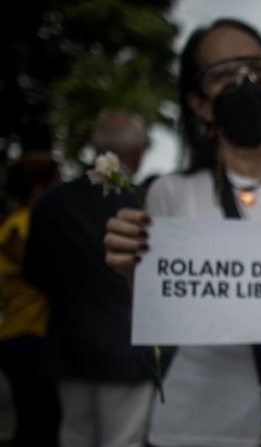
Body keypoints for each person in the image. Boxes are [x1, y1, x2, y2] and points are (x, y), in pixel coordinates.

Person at [103, 19, 261, 447]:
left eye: (257, 67)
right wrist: (134, 275)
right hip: (201, 423)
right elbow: (163, 323)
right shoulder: (170, 192)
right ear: (197, 102)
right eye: (222, 74)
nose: (246, 81)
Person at [24, 110, 155, 447]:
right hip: (127, 347)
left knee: (75, 434)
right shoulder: (143, 203)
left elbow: (33, 272)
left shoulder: (53, 201)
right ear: (138, 153)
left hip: (69, 344)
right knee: (122, 439)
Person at [0, 153, 61, 447]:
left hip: (32, 336)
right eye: (56, 183)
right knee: (38, 426)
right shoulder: (23, 224)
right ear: (39, 188)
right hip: (27, 335)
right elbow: (44, 274)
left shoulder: (25, 221)